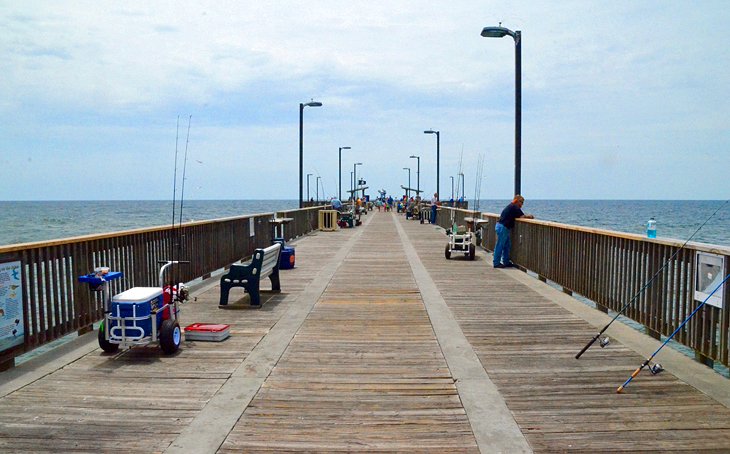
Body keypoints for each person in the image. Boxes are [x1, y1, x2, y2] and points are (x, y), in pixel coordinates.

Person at [493, 195, 534, 269]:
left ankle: (506, 261)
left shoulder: (511, 206)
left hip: (503, 226)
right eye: (521, 202)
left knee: (507, 245)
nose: (522, 204)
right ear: (517, 201)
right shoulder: (514, 207)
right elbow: (522, 216)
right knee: (500, 245)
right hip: (503, 227)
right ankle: (496, 263)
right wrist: (530, 216)